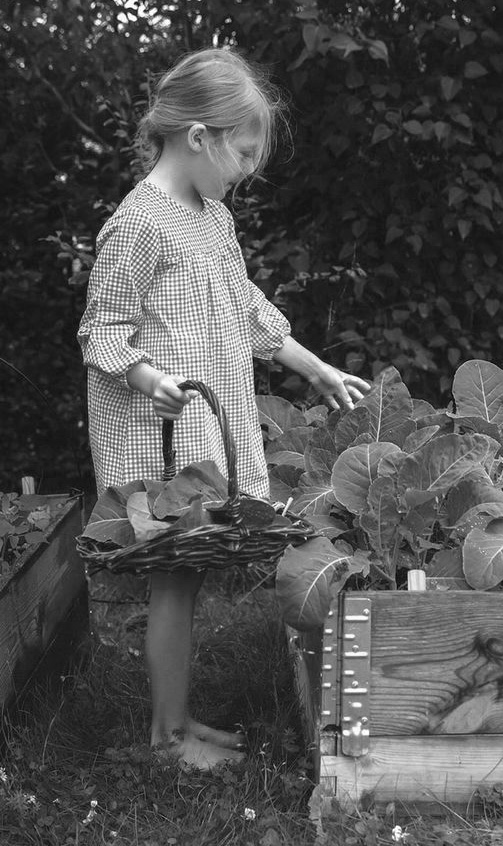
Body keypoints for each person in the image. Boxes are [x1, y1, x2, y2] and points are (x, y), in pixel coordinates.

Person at [77, 47, 371, 770]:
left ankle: (176, 723)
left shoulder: (211, 220)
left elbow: (246, 311)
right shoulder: (138, 223)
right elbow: (99, 330)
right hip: (161, 434)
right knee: (174, 574)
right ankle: (166, 739)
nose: (245, 171)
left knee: (190, 573)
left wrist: (316, 366)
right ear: (199, 136)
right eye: (242, 153)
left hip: (204, 428)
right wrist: (150, 380)